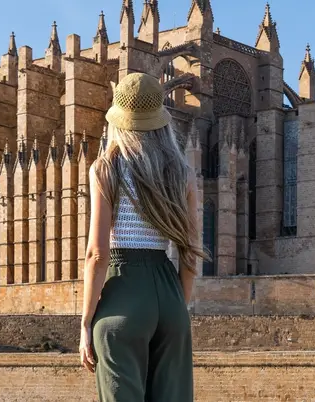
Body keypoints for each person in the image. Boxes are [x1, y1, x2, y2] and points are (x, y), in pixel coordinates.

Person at [79, 73, 206, 401]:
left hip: (123, 292)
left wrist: (85, 323)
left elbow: (97, 254)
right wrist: (177, 307)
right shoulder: (182, 173)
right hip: (169, 292)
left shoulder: (106, 168)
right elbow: (191, 251)